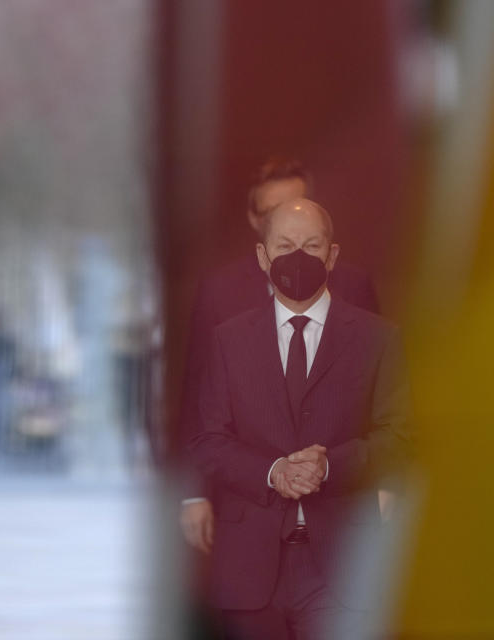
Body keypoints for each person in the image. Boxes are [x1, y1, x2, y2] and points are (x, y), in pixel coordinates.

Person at [188, 198, 412, 639]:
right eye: (285, 245)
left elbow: (401, 438)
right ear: (262, 255)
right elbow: (208, 441)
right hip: (248, 570)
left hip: (341, 567)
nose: (297, 257)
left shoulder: (379, 339)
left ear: (332, 254)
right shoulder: (228, 340)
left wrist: (330, 466)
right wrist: (273, 472)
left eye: (312, 246)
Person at [179, 158, 379, 553]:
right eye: (274, 211)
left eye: (300, 205)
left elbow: (380, 394)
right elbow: (197, 399)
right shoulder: (220, 292)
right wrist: (194, 494)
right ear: (256, 220)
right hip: (250, 510)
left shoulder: (354, 286)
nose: (292, 221)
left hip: (339, 517)